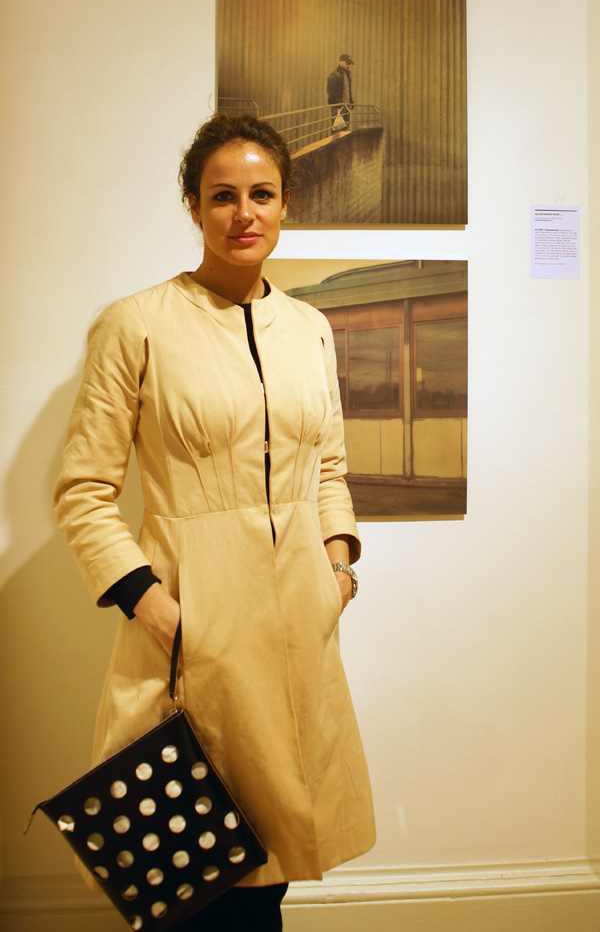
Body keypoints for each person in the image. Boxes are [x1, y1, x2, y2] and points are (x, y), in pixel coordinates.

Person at [53, 113, 376, 931]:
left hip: (299, 627)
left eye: (261, 194)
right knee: (194, 870)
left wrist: (338, 572)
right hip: (195, 628)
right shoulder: (136, 324)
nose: (243, 213)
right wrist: (154, 607)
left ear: (286, 204)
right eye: (222, 195)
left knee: (270, 870)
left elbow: (328, 467)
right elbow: (83, 489)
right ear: (193, 206)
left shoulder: (309, 328)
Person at [326, 54, 355, 132]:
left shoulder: (347, 76)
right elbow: (330, 91)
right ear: (340, 62)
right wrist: (339, 103)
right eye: (347, 63)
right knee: (337, 130)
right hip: (338, 108)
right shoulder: (334, 75)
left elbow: (348, 90)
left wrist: (351, 102)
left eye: (349, 64)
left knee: (345, 131)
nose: (348, 66)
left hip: (347, 107)